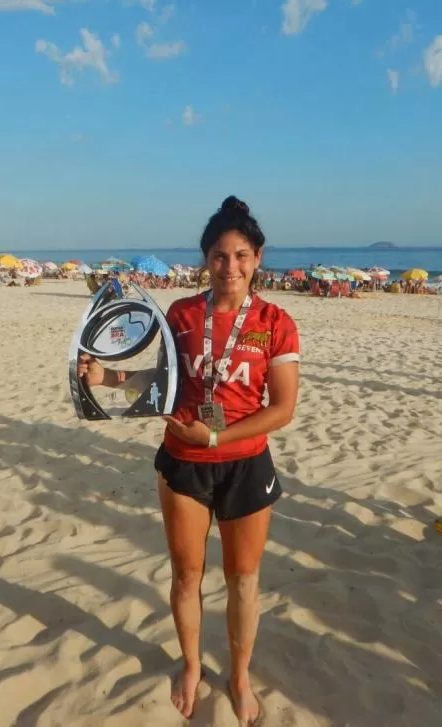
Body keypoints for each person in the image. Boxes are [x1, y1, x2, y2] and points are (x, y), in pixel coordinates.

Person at [77, 196, 300, 723]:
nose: (231, 267)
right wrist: (105, 378)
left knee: (244, 580)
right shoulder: (181, 314)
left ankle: (240, 677)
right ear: (206, 260)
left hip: (244, 462)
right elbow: (161, 383)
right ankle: (193, 666)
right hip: (182, 460)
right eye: (220, 256)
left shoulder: (275, 321)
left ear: (258, 258)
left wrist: (218, 440)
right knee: (186, 576)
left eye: (241, 255)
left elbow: (283, 408)